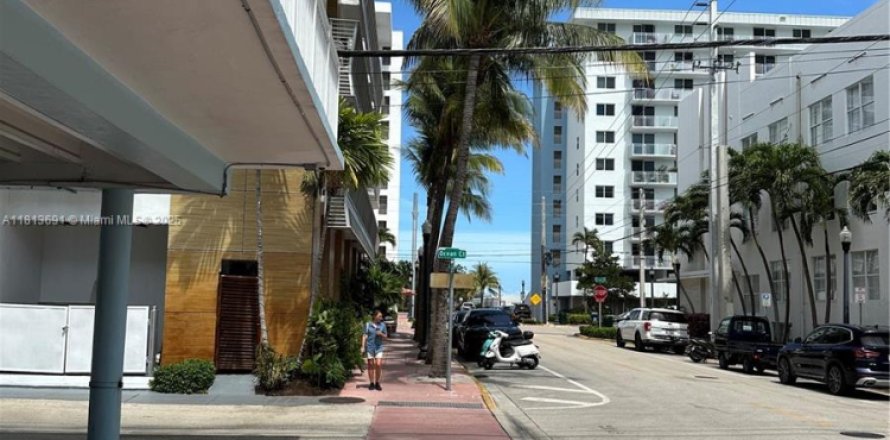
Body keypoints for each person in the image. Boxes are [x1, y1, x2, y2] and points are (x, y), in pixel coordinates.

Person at [361, 310, 387, 390]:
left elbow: (386, 336)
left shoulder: (383, 325)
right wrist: (362, 346)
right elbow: (364, 336)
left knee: (378, 364)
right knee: (371, 365)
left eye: (381, 316)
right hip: (370, 347)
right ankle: (372, 382)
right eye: (379, 316)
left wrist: (381, 334)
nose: (381, 318)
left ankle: (377, 382)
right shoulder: (368, 325)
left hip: (379, 347)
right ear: (375, 316)